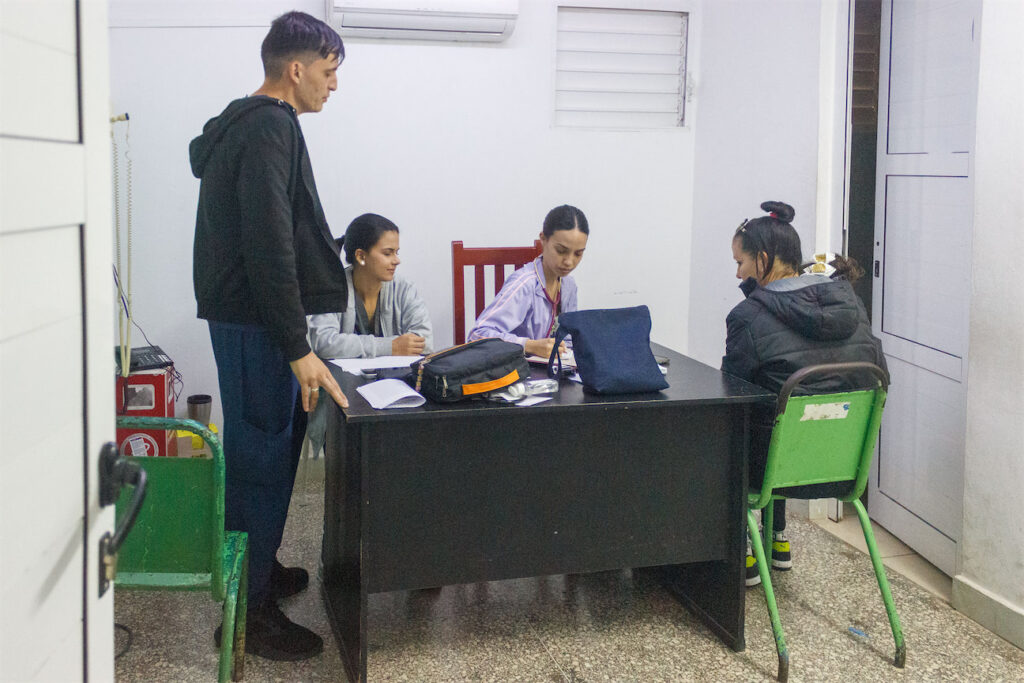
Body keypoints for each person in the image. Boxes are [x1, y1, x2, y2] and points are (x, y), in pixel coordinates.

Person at [190, 11, 349, 660]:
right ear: (296, 69)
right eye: (329, 72)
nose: (333, 86)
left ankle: (259, 568)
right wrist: (297, 345)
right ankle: (249, 613)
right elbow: (269, 245)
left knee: (272, 450)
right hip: (259, 325)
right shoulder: (267, 129)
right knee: (260, 461)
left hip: (254, 322)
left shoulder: (251, 123)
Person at [721, 201, 886, 587]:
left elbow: (732, 393)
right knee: (792, 417)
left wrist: (754, 303)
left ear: (763, 259)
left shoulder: (747, 318)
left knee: (736, 428)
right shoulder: (853, 305)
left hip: (774, 468)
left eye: (741, 263)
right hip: (842, 468)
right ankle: (778, 541)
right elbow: (878, 373)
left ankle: (743, 547)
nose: (737, 273)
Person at [305, 212, 433, 453]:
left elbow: (423, 343)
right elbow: (323, 342)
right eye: (387, 253)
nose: (396, 260)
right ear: (361, 256)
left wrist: (357, 347)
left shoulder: (404, 289)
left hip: (397, 390)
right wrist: (391, 347)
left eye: (396, 252)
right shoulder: (332, 288)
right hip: (342, 396)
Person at [467, 205, 589, 358]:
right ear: (543, 239)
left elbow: (568, 337)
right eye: (561, 251)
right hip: (514, 373)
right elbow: (477, 336)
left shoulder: (568, 285)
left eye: (578, 254)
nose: (569, 262)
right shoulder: (524, 285)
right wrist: (529, 346)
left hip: (551, 373)